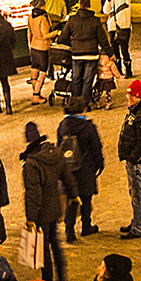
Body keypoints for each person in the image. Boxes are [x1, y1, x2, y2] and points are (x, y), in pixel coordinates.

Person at [20, 121, 73, 281]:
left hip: (42, 212)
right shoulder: (55, 154)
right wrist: (74, 194)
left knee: (44, 250)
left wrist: (31, 218)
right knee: (55, 244)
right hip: (55, 207)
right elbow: (67, 176)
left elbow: (33, 193)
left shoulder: (31, 164)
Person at [57, 99, 104, 241]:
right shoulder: (88, 127)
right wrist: (99, 164)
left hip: (68, 169)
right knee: (86, 198)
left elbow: (59, 146)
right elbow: (96, 148)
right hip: (85, 168)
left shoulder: (63, 126)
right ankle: (86, 226)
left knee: (71, 199)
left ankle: (69, 231)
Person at [116, 79, 141, 239]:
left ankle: (138, 228)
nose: (129, 99)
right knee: (134, 193)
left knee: (138, 195)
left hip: (138, 162)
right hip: (133, 160)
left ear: (139, 96)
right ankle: (136, 222)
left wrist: (132, 159)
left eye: (132, 96)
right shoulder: (135, 110)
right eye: (128, 95)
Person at [59, 0, 107, 104]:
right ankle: (84, 103)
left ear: (80, 5)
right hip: (91, 55)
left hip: (77, 54)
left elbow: (64, 37)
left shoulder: (72, 20)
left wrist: (59, 39)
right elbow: (102, 38)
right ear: (89, 6)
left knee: (76, 78)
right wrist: (109, 52)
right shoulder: (95, 20)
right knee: (88, 80)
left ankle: (75, 103)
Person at [102, 0, 133, 78]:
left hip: (123, 28)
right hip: (112, 28)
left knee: (124, 50)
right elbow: (106, 11)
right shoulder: (112, 0)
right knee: (115, 50)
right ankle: (118, 70)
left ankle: (128, 70)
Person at [27, 0, 54, 100]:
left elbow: (29, 33)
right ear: (43, 6)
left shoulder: (30, 17)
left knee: (34, 70)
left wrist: (30, 45)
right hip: (43, 48)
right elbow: (45, 35)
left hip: (34, 46)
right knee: (42, 72)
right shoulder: (42, 18)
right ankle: (36, 95)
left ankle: (36, 92)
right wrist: (56, 33)